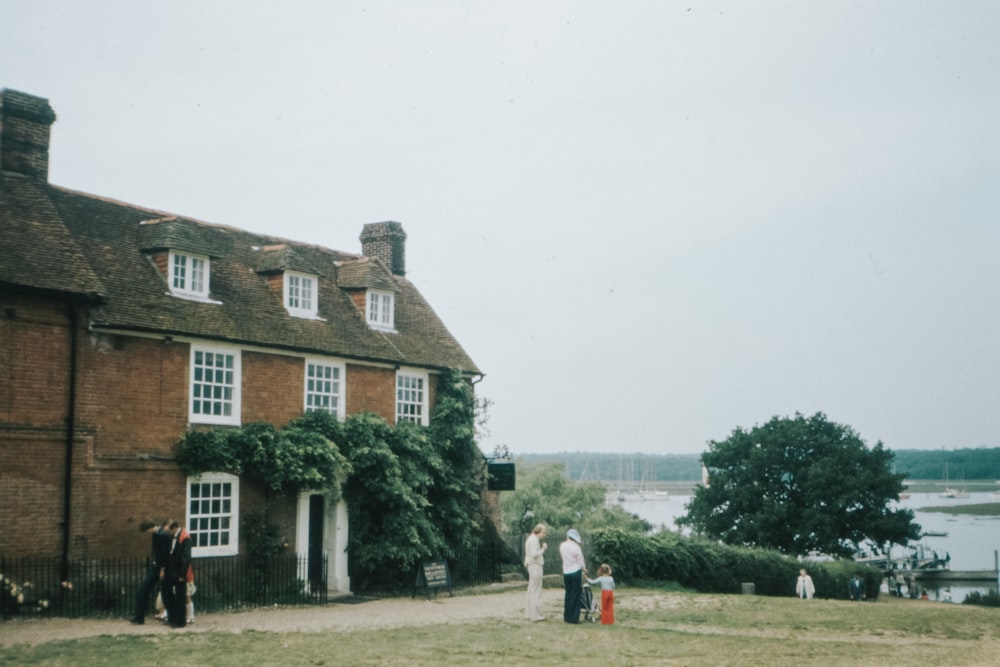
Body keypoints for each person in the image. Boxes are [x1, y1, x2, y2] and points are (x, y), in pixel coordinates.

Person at [130, 518, 172, 624]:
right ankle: (139, 617)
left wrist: (163, 569)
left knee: (166, 593)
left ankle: (171, 618)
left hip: (162, 568)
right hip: (156, 567)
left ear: (149, 528)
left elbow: (165, 555)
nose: (147, 533)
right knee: (143, 590)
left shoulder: (163, 535)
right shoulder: (156, 534)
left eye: (146, 530)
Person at [162, 520, 192, 628]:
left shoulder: (185, 537)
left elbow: (186, 557)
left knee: (180, 597)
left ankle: (179, 621)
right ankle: (172, 618)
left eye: (169, 531)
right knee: (167, 594)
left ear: (174, 528)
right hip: (171, 571)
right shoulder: (173, 537)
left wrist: (182, 575)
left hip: (178, 572)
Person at [559, 528, 585, 624]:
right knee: (576, 594)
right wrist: (584, 568)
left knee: (568, 593)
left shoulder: (562, 546)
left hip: (566, 572)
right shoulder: (576, 547)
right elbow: (580, 561)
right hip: (575, 571)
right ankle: (574, 618)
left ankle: (567, 616)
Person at [524, 523, 547, 622]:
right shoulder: (533, 540)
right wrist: (543, 549)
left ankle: (529, 614)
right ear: (538, 531)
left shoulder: (530, 539)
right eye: (543, 532)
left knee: (531, 589)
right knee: (536, 590)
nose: (544, 535)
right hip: (535, 566)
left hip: (532, 565)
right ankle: (535, 615)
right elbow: (534, 554)